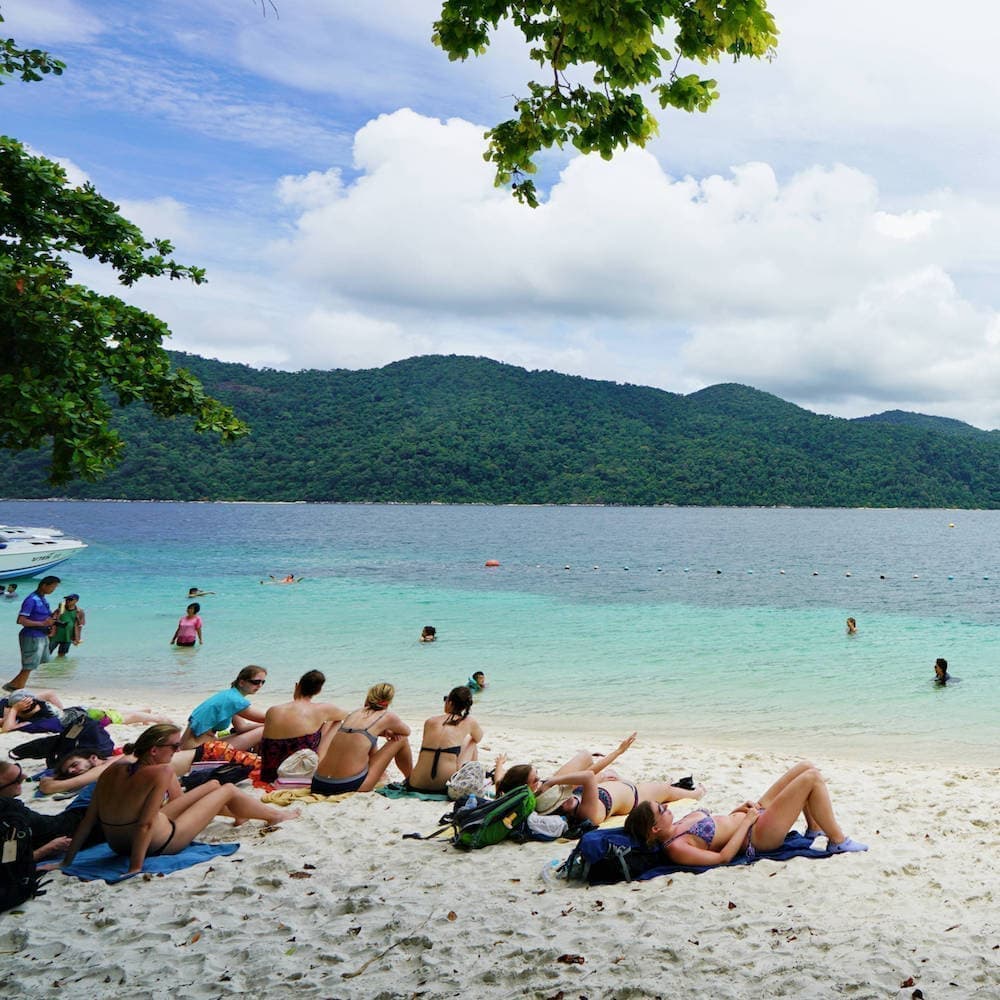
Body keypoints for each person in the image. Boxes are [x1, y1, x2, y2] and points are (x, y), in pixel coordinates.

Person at [60, 725, 300, 875]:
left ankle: (240, 815)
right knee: (227, 789)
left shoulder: (113, 769)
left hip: (118, 844)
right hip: (161, 842)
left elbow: (89, 820)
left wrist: (67, 862)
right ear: (154, 750)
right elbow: (145, 824)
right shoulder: (161, 772)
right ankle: (276, 816)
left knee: (213, 785)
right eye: (174, 747)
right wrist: (135, 866)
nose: (178, 751)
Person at [624, 761, 868, 865]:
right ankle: (837, 841)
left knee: (806, 767)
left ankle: (814, 829)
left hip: (751, 817)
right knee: (811, 779)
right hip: (757, 835)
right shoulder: (677, 848)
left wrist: (739, 811)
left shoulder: (678, 825)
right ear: (655, 828)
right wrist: (747, 822)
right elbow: (723, 857)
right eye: (662, 809)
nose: (667, 807)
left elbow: (719, 827)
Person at [495, 734, 703, 826]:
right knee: (666, 789)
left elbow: (500, 783)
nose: (541, 781)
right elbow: (587, 776)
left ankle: (612, 776)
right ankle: (697, 793)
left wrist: (499, 765)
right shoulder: (587, 813)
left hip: (611, 789)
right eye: (537, 780)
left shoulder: (546, 800)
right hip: (631, 795)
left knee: (602, 769)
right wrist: (553, 782)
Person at [311, 683, 412, 794]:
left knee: (368, 738)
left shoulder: (354, 714)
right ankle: (410, 781)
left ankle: (393, 778)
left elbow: (362, 732)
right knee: (402, 739)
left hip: (319, 783)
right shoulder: (387, 716)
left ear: (369, 697)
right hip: (346, 786)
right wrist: (390, 732)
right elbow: (406, 731)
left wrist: (382, 731)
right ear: (389, 701)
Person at [259, 671, 349, 782]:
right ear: (318, 691)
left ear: (297, 686)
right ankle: (323, 760)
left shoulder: (272, 710)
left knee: (325, 722)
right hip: (300, 772)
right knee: (336, 722)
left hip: (270, 774)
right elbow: (347, 715)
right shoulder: (323, 709)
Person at [0, 760, 96, 861]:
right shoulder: (9, 818)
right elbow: (10, 862)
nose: (25, 776)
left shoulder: (9, 808)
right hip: (70, 832)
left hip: (62, 824)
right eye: (18, 780)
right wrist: (47, 849)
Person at [407, 686, 483, 793]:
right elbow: (478, 737)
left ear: (450, 702)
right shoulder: (469, 722)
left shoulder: (430, 721)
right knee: (472, 740)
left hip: (416, 783)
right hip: (444, 786)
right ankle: (473, 780)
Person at [38, 744, 198, 795]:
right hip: (200, 758)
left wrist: (54, 781)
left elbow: (51, 787)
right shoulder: (116, 765)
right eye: (69, 772)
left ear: (93, 758)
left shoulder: (113, 764)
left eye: (74, 765)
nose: (72, 771)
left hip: (201, 756)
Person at [179, 666, 268, 752]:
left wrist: (263, 725)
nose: (260, 685)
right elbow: (268, 719)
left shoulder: (229, 695)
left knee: (265, 727)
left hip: (190, 746)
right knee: (266, 729)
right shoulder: (235, 700)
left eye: (263, 682)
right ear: (241, 682)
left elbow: (241, 728)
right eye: (256, 682)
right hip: (198, 749)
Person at [1, 691, 169, 734]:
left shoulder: (31, 719)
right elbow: (51, 693)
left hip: (85, 717)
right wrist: (62, 711)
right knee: (114, 713)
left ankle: (157, 718)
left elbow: (7, 728)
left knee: (123, 718)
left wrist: (14, 710)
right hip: (78, 711)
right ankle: (144, 711)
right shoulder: (38, 702)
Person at [4, 575, 60, 693]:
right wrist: (42, 623)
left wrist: (54, 617)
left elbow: (45, 617)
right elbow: (21, 620)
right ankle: (18, 688)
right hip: (32, 636)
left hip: (42, 634)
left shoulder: (43, 599)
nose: (53, 590)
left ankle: (13, 685)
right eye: (53, 587)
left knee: (39, 661)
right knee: (29, 665)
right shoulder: (31, 599)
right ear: (44, 585)